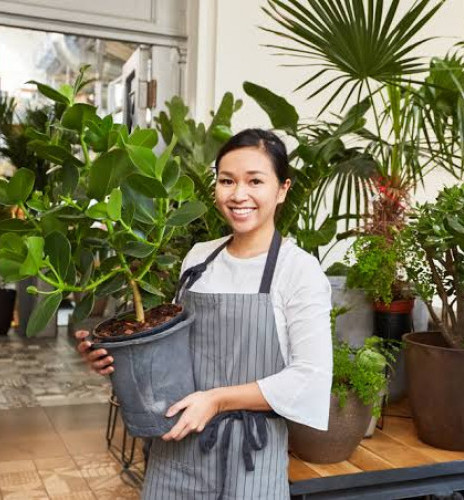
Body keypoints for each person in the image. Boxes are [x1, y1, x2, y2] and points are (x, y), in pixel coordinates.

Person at [75, 128, 333, 499]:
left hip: (250, 457)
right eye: (227, 181)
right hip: (177, 446)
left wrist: (217, 400)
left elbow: (310, 378)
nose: (238, 194)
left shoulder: (298, 271)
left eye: (255, 181)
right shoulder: (199, 258)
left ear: (282, 190)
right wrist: (114, 357)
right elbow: (168, 353)